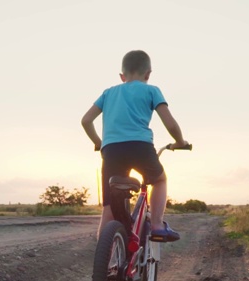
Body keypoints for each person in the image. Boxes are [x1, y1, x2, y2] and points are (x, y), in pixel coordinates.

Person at [81, 50, 189, 244]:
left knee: (109, 207)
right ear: (148, 74)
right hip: (140, 147)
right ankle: (157, 225)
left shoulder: (108, 93)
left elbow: (86, 120)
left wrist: (98, 142)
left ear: (122, 76)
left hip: (111, 150)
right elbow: (170, 124)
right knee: (160, 180)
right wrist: (180, 142)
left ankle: (104, 257)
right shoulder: (152, 90)